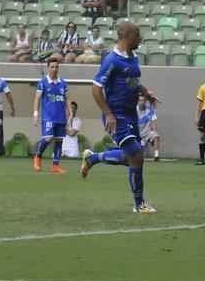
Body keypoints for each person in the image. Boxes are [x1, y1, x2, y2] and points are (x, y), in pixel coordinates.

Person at [81, 21, 159, 214]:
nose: (140, 39)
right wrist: (108, 114)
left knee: (129, 158)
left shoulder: (133, 58)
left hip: (131, 113)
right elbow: (96, 88)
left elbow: (132, 81)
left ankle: (93, 159)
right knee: (136, 156)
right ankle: (139, 204)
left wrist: (145, 93)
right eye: (138, 35)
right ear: (128, 37)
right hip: (117, 115)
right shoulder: (111, 60)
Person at [32, 56, 69, 173]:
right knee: (48, 138)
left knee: (59, 140)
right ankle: (37, 157)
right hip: (48, 116)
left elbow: (67, 98)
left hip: (61, 116)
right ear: (48, 68)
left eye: (57, 67)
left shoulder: (63, 83)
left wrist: (71, 112)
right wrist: (35, 114)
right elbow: (37, 98)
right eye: (52, 67)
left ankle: (55, 165)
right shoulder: (43, 83)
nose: (55, 69)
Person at [138, 96, 161, 162]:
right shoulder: (134, 110)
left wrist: (154, 132)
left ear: (145, 102)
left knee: (156, 135)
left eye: (143, 101)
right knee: (139, 155)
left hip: (147, 133)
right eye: (140, 100)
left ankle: (156, 156)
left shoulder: (150, 111)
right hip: (137, 134)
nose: (142, 102)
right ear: (138, 101)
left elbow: (154, 122)